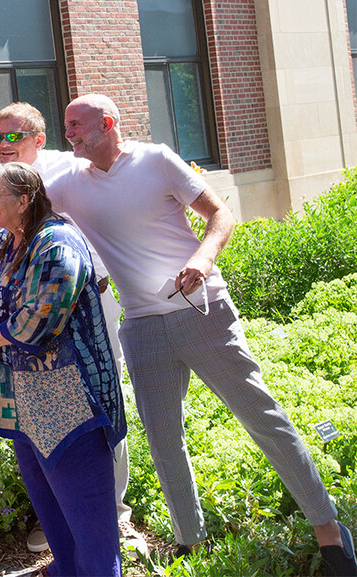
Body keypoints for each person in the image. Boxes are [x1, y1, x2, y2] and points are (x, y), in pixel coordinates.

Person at [46, 93, 355, 573]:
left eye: (76, 124)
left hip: (200, 310)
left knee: (263, 418)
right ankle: (192, 541)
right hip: (142, 326)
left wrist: (203, 257)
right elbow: (4, 204)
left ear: (107, 123)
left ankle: (328, 529)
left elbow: (220, 215)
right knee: (164, 439)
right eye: (65, 126)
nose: (69, 134)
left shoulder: (155, 160)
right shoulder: (68, 184)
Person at [0, 102, 139, 555]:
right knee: (45, 456)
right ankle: (70, 536)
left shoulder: (67, 174)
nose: (4, 145)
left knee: (90, 439)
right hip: (25, 364)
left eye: (14, 136)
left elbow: (36, 319)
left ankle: (110, 515)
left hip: (76, 334)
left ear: (39, 139)